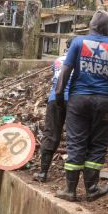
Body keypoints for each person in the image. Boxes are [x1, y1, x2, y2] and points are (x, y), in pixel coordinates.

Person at [55, 11, 108, 201]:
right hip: (105, 101)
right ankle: (92, 189)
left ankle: (70, 190)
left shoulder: (78, 42)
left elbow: (65, 70)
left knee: (76, 141)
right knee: (98, 144)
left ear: (92, 26)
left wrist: (58, 95)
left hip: (78, 100)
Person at [34, 39, 72, 183]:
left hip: (54, 98)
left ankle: (43, 173)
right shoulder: (81, 61)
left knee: (50, 134)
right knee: (73, 136)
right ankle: (71, 179)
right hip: (73, 100)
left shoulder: (57, 60)